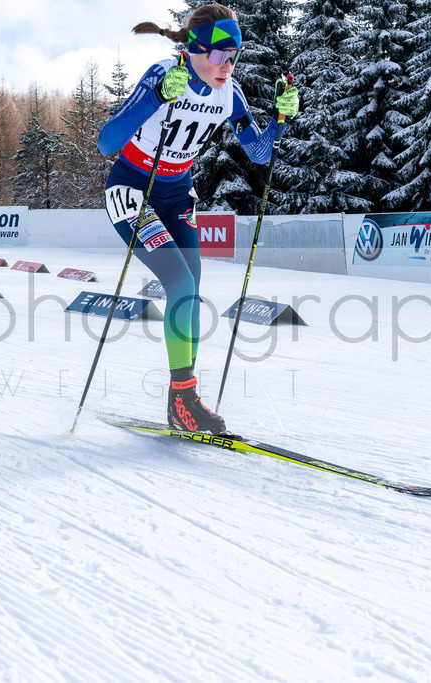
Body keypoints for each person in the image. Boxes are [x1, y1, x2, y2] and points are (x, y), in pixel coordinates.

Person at [97, 4, 298, 435]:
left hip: (176, 196)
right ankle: (184, 399)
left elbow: (260, 152)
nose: (228, 65)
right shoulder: (163, 75)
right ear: (194, 50)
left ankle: (182, 400)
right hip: (133, 191)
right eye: (221, 54)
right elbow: (105, 142)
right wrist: (154, 97)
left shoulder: (231, 93)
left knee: (191, 287)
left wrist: (279, 119)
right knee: (181, 284)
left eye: (236, 55)